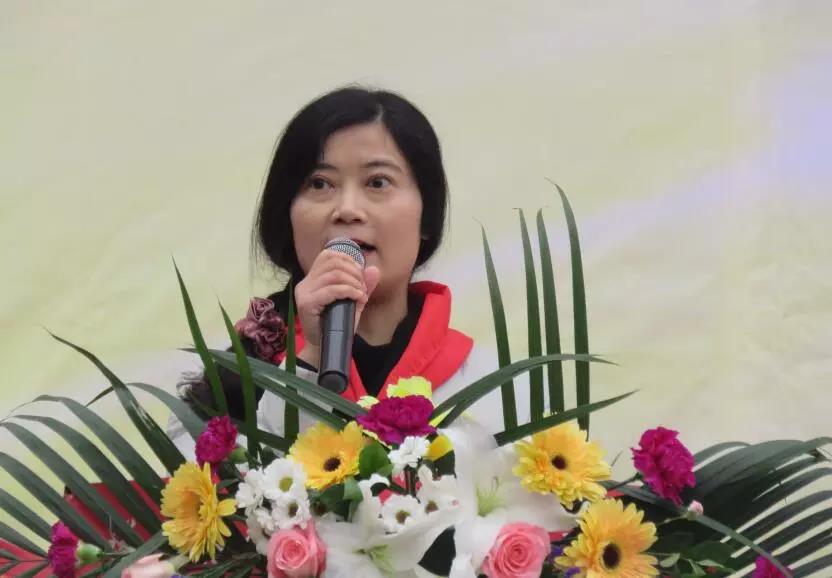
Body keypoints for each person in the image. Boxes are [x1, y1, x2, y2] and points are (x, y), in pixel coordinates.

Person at [171, 86, 523, 451]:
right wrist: (312, 356)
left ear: (427, 215)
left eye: (378, 182)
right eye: (320, 184)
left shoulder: (496, 390)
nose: (347, 209)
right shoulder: (224, 383)